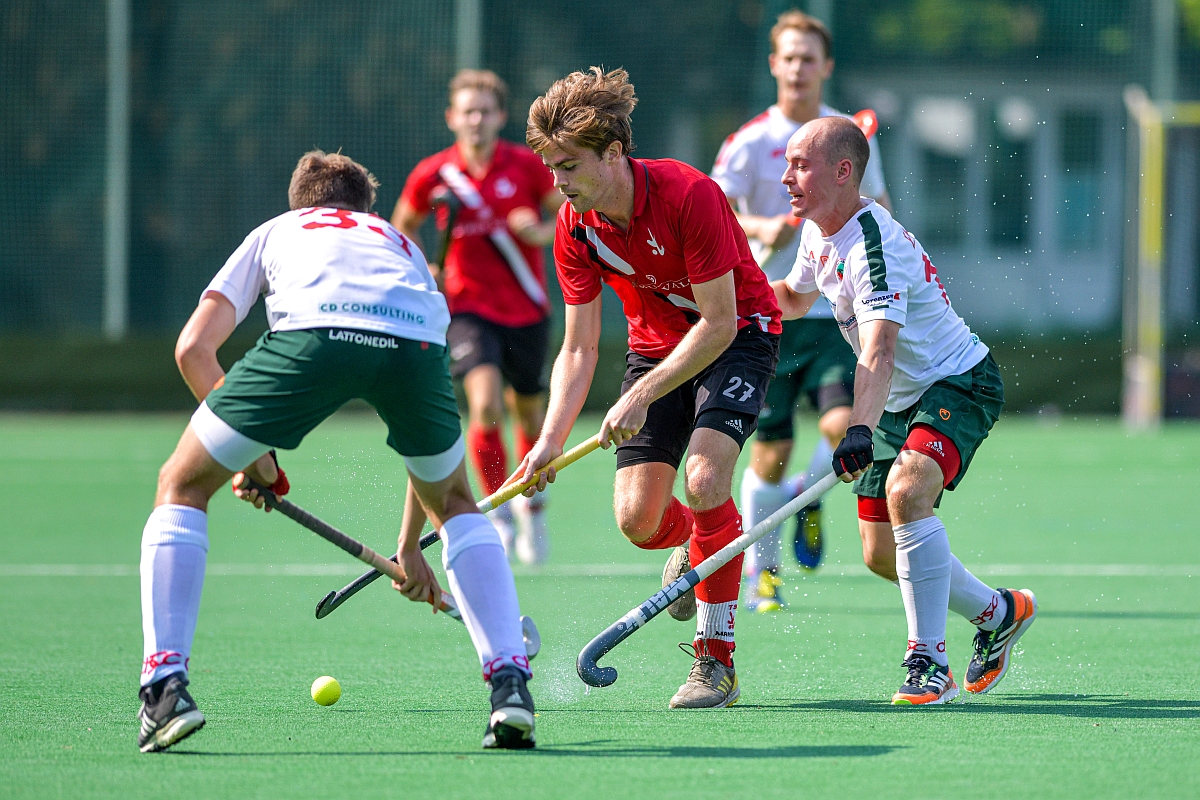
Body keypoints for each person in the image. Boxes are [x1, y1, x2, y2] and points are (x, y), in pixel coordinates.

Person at [137, 151, 536, 752]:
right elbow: (423, 462)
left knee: (183, 485)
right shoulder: (398, 245)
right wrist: (408, 547)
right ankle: (509, 684)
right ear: (367, 211)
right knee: (457, 503)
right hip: (412, 346)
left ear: (300, 203)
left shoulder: (276, 230)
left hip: (314, 334)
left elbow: (194, 349)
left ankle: (165, 687)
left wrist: (255, 457)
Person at [517, 67, 782, 709]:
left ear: (613, 154)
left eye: (569, 166)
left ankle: (715, 663)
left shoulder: (688, 195)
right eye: (550, 167)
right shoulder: (575, 227)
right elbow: (578, 348)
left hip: (739, 333)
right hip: (657, 349)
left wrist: (637, 395)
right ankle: (706, 541)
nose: (558, 182)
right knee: (638, 520)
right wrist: (548, 441)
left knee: (704, 476)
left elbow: (719, 323)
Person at [773, 117, 1037, 704]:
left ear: (843, 172)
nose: (786, 177)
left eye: (799, 164)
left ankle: (928, 665)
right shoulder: (819, 230)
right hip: (896, 395)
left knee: (908, 492)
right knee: (880, 553)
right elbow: (793, 297)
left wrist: (859, 428)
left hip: (957, 382)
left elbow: (880, 346)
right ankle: (998, 613)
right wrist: (716, 295)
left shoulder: (874, 245)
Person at [711, 9, 892, 613]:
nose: (798, 67)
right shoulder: (749, 142)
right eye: (788, 57)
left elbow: (877, 208)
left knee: (845, 429)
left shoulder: (846, 140)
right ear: (774, 65)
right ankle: (765, 569)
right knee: (769, 452)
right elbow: (716, 214)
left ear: (825, 67)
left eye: (808, 58)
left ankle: (807, 495)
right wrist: (758, 224)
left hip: (835, 314)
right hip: (771, 314)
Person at [393, 69, 563, 565]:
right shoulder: (434, 173)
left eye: (485, 111)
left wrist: (539, 232)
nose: (476, 120)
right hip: (466, 310)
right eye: (467, 111)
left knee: (528, 413)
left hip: (527, 309)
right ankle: (502, 513)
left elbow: (570, 215)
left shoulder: (527, 167)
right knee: (484, 404)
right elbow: (403, 225)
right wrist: (422, 264)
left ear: (500, 117)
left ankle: (534, 505)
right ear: (452, 118)